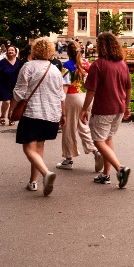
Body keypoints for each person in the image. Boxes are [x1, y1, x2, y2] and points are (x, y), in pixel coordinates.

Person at [13, 38, 65, 196]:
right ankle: (33, 182)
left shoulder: (28, 67)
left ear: (34, 50)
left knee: (29, 148)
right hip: (51, 114)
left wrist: (13, 107)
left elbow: (19, 92)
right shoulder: (55, 69)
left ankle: (46, 173)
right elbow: (61, 95)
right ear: (50, 51)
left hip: (32, 113)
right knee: (39, 147)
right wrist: (63, 114)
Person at [80, 32, 132, 188]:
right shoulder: (122, 64)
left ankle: (120, 168)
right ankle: (105, 175)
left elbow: (91, 90)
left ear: (101, 45)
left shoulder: (98, 65)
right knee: (108, 139)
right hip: (119, 108)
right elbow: (128, 87)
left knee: (98, 140)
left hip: (103, 109)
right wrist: (127, 106)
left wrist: (84, 110)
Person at [57, 41, 101, 171]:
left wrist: (61, 107)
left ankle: (68, 159)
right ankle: (96, 151)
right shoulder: (87, 63)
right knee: (83, 126)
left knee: (68, 128)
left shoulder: (67, 65)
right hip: (86, 97)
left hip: (72, 97)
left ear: (68, 52)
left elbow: (64, 87)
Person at [0, 45, 21, 125]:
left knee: (13, 103)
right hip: (4, 84)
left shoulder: (19, 61)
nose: (10, 52)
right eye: (9, 50)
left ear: (15, 52)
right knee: (6, 101)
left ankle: (11, 117)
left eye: (12, 50)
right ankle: (3, 116)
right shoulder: (3, 62)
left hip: (15, 85)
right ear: (7, 52)